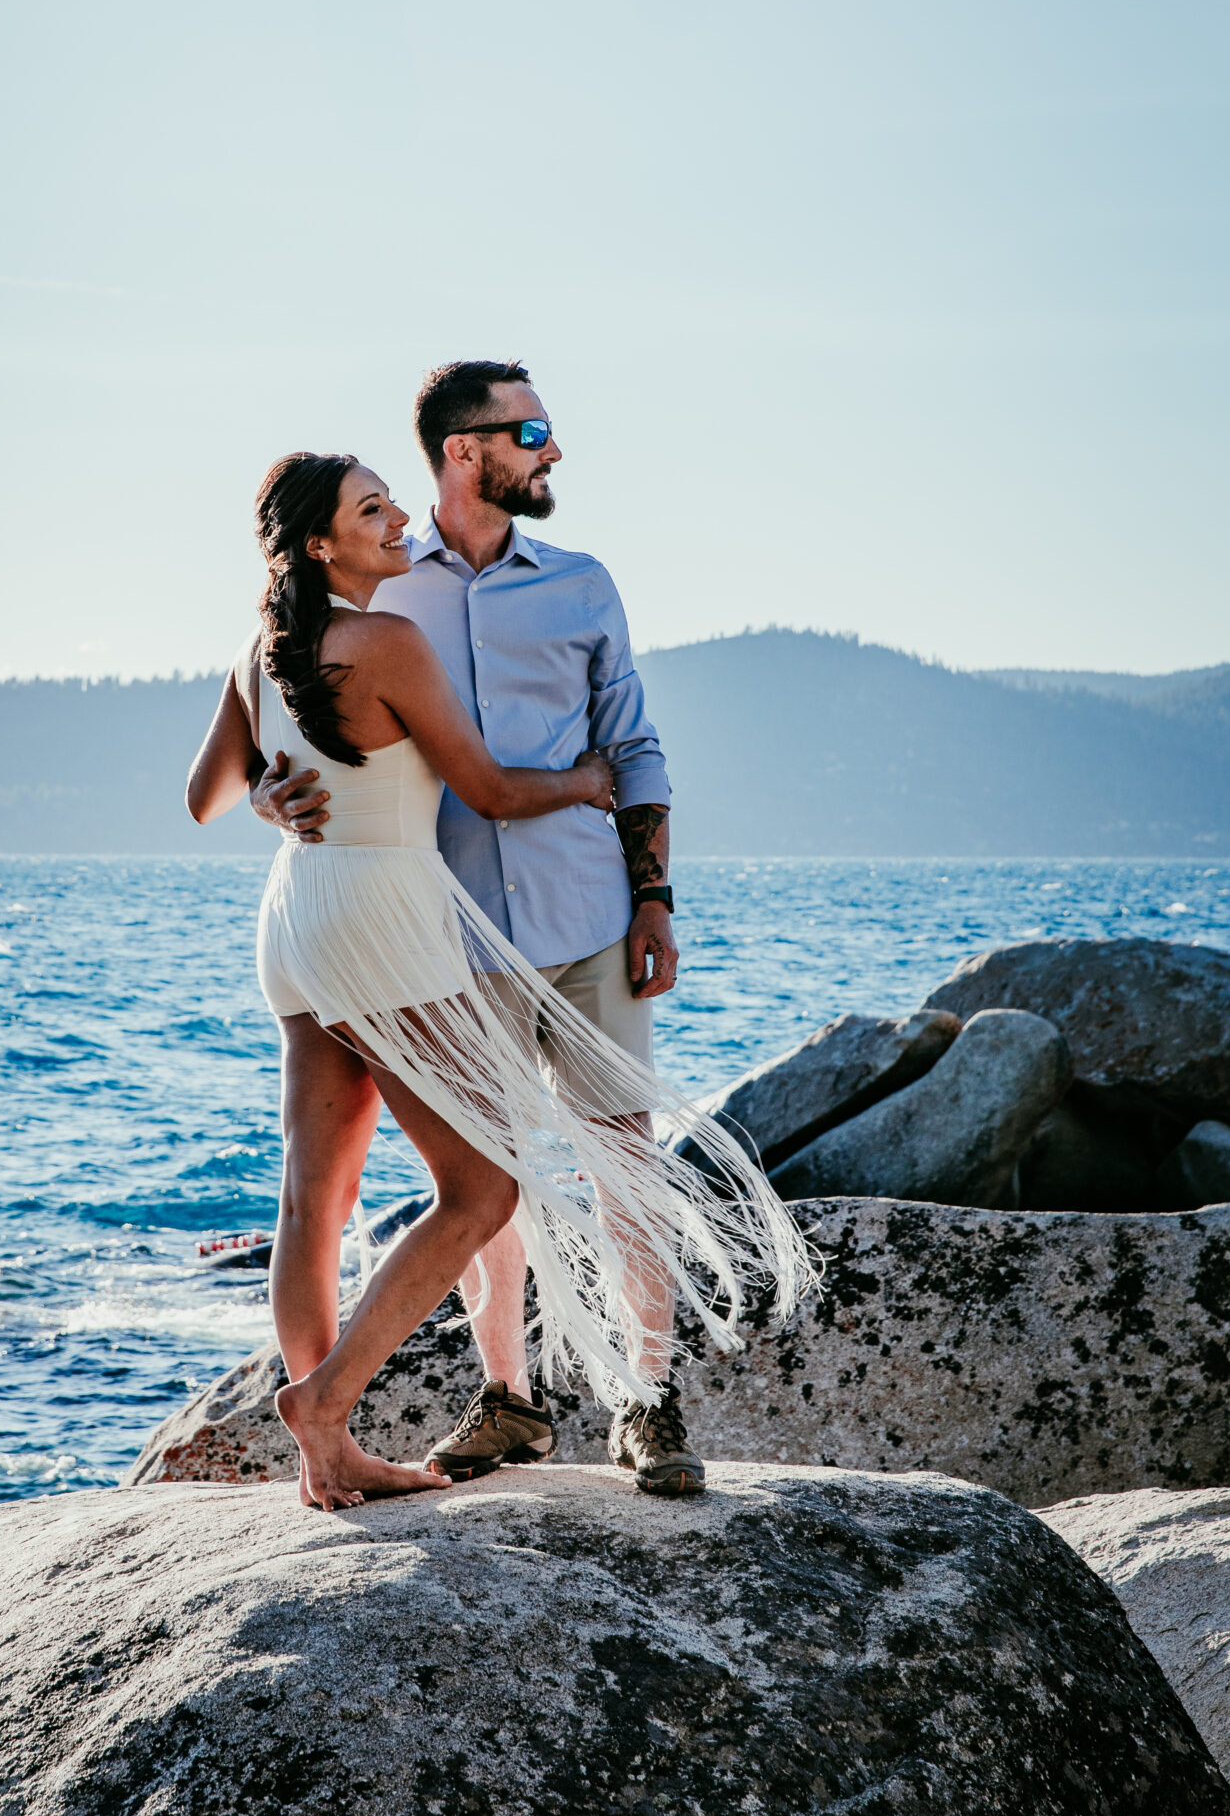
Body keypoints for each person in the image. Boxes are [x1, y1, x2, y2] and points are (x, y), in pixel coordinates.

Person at [189, 446, 812, 1512]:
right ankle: (327, 1406)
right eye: (371, 510)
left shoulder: (263, 650)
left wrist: (271, 799)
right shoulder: (385, 640)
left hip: (297, 912)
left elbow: (206, 793)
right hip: (382, 912)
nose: (396, 524)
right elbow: (483, 787)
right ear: (320, 543)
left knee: (314, 1190)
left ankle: (321, 1457)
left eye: (393, 503)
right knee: (483, 1189)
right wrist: (588, 779)